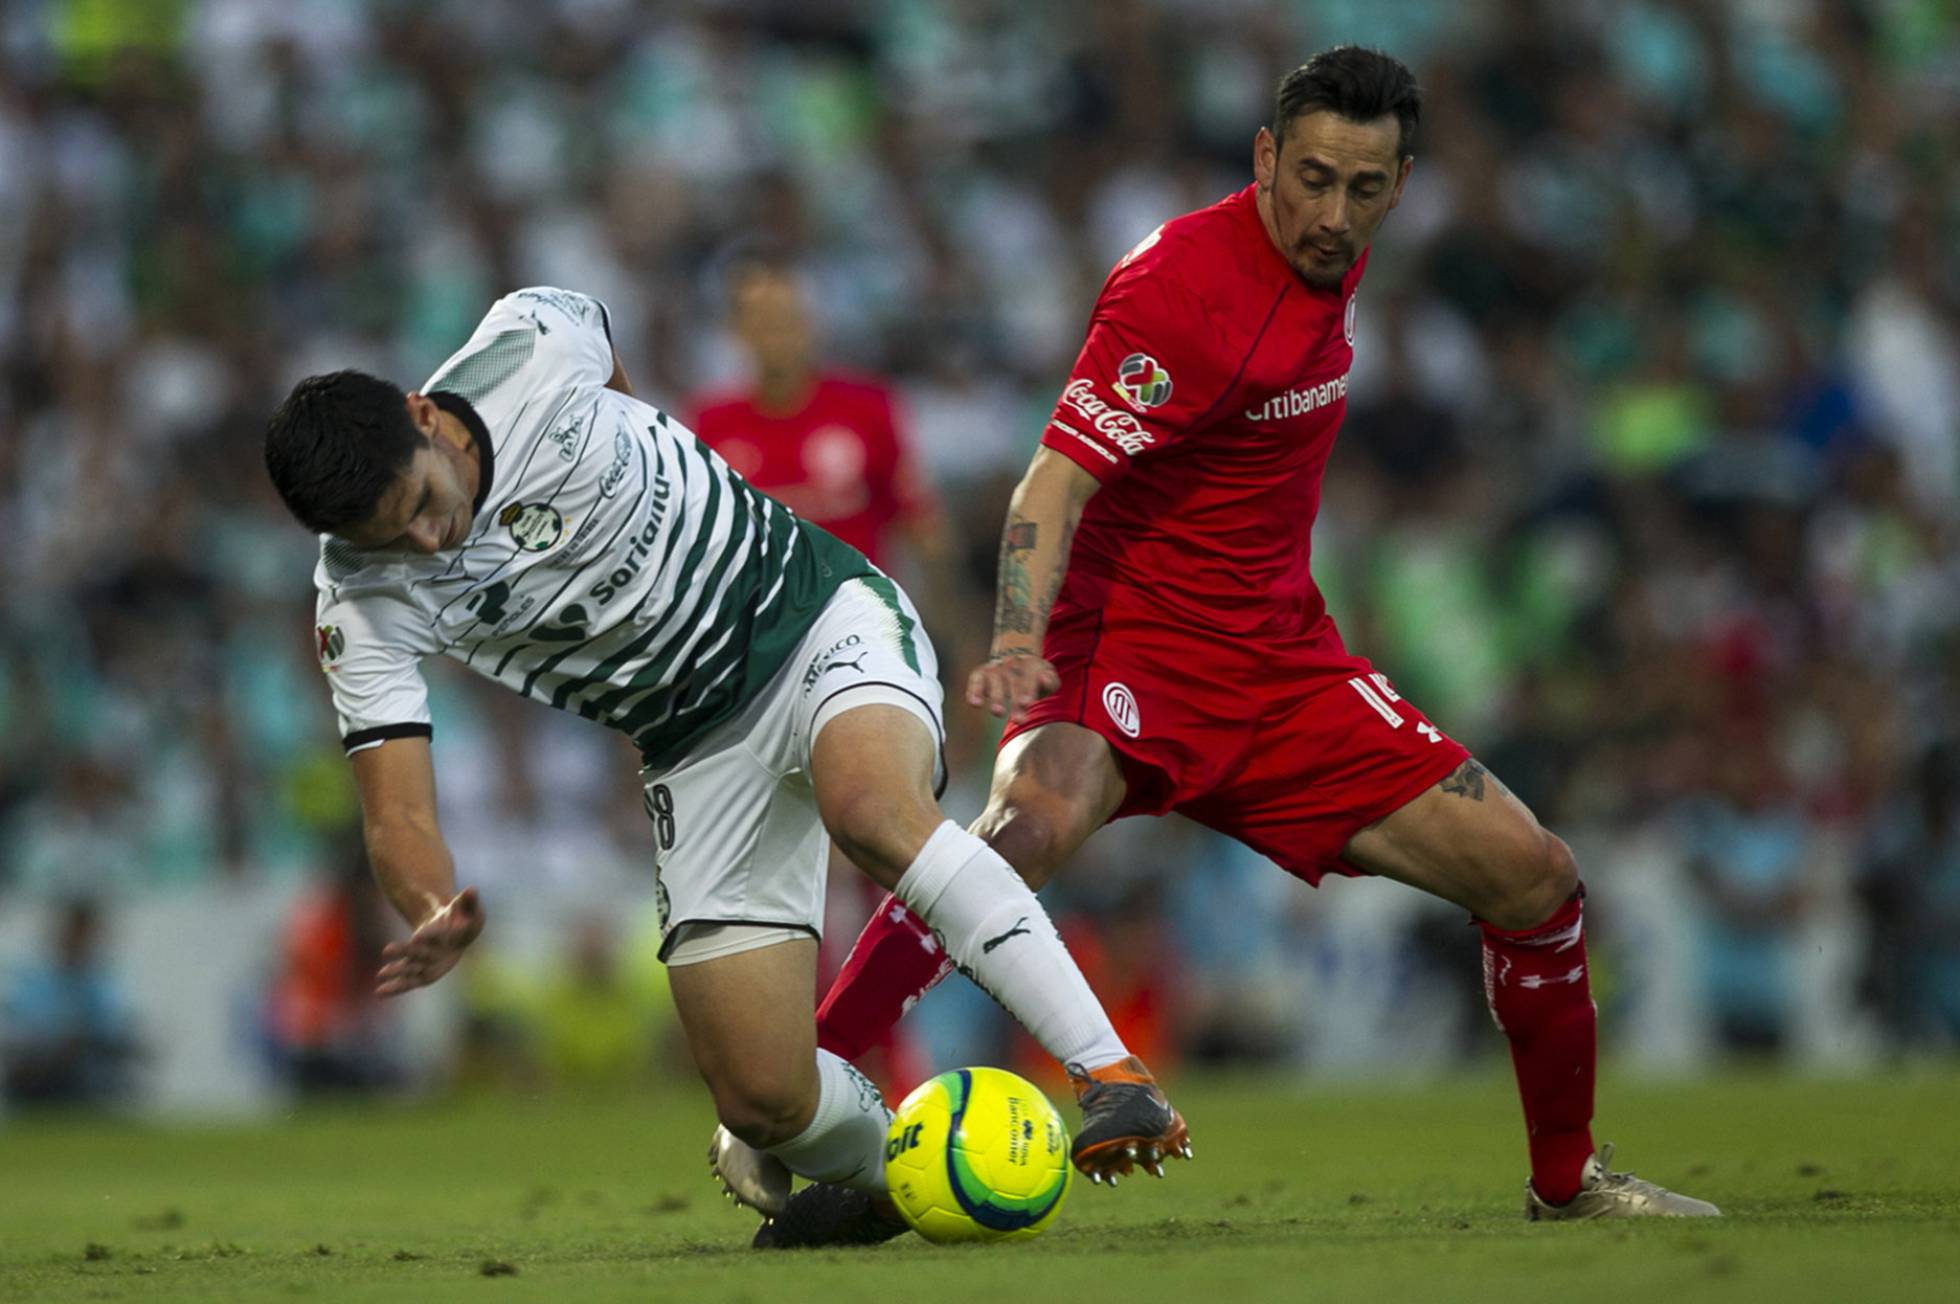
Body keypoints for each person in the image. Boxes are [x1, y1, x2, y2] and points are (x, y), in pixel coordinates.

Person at [788, 47, 1719, 1222]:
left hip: (1280, 665)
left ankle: (1565, 1183)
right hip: (1123, 643)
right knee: (1023, 827)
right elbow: (1049, 483)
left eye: (1365, 189)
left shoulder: (1336, 263)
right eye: (1314, 179)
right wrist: (1019, 640)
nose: (1334, 216)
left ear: (1402, 182)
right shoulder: (1178, 287)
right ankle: (793, 1100)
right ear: (1265, 157)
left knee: (1535, 876)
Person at [261, 285, 1187, 1250]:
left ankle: (1111, 1075)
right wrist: (427, 908)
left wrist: (635, 437)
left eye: (419, 504)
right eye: (386, 538)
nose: (423, 543)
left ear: (422, 416)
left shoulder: (530, 340)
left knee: (869, 807)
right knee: (760, 1100)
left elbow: (602, 347)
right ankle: (891, 1179)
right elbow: (397, 813)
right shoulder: (356, 598)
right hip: (692, 748)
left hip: (812, 617)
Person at [690, 248, 958, 1099]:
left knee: (890, 869)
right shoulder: (710, 427)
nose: (778, 334)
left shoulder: (867, 413)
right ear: (739, 334)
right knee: (790, 895)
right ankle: (815, 1072)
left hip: (862, 682)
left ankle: (887, 1059)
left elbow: (927, 538)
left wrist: (960, 655)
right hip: (755, 696)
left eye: (790, 317)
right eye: (760, 320)